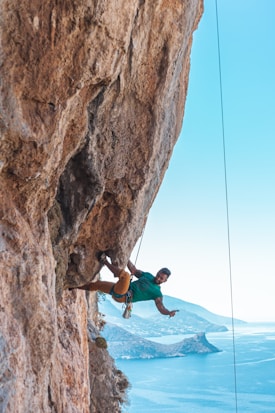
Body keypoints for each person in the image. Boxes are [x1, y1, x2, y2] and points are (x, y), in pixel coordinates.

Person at [76, 254, 178, 318]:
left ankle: (104, 261)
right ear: (157, 272)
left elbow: (160, 307)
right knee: (97, 285)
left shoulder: (157, 293)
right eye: (158, 275)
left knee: (125, 276)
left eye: (161, 278)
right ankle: (73, 286)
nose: (158, 278)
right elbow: (133, 270)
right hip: (120, 290)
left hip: (123, 296)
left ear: (165, 281)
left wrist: (168, 312)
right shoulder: (148, 276)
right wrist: (127, 256)